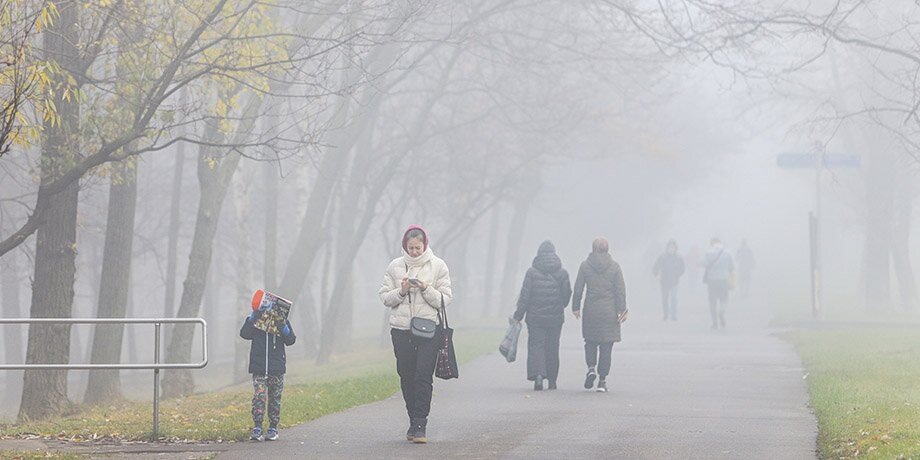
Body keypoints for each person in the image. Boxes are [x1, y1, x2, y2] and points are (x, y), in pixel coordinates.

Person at [378, 225, 453, 444]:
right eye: (410, 248)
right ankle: (413, 418)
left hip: (429, 330)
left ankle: (421, 423)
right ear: (405, 246)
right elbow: (384, 298)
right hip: (401, 331)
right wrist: (401, 290)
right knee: (406, 375)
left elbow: (444, 299)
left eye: (417, 248)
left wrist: (425, 288)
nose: (414, 252)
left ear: (425, 245)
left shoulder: (438, 266)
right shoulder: (394, 267)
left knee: (422, 376)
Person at [512, 240, 572, 391]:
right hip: (555, 318)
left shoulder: (531, 273)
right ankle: (552, 381)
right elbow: (567, 295)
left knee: (536, 346)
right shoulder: (562, 273)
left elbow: (525, 296)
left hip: (535, 318)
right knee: (552, 347)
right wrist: (560, 306)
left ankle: (538, 376)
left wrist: (518, 315)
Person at [571, 238, 627, 393]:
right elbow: (620, 291)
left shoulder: (585, 266)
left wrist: (575, 307)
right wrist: (622, 311)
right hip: (609, 312)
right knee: (606, 346)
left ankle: (590, 368)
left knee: (590, 341)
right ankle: (602, 381)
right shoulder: (615, 267)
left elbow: (578, 288)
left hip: (591, 311)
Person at [240, 300, 296, 441]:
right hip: (259, 367)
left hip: (276, 368)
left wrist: (282, 326)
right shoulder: (255, 320)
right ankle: (257, 427)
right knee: (259, 397)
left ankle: (273, 427)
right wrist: (253, 316)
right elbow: (244, 334)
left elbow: (291, 340)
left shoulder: (282, 321)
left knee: (274, 398)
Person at [700, 237, 735, 329]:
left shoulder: (708, 253)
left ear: (712, 244)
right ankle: (721, 312)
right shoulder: (728, 253)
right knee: (724, 299)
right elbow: (732, 267)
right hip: (723, 280)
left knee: (712, 302)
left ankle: (714, 322)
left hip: (712, 281)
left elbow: (701, 263)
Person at [653, 239, 685, 321]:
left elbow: (682, 269)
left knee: (674, 299)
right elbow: (655, 267)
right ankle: (666, 314)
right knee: (665, 299)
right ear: (667, 248)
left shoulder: (678, 258)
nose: (671, 249)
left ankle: (673, 315)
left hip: (674, 281)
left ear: (675, 248)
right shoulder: (662, 257)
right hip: (664, 281)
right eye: (670, 247)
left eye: (673, 247)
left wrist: (677, 274)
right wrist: (657, 275)